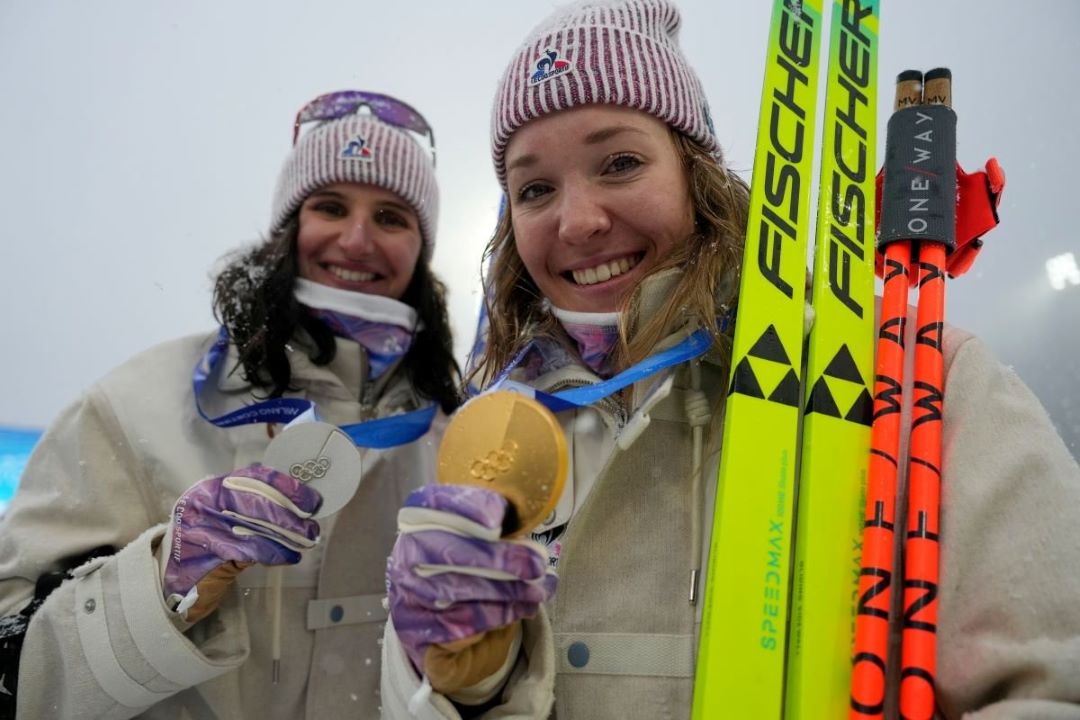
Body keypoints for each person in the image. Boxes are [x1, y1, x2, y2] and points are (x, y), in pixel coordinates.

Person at [379, 1, 1080, 718]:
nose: (578, 219)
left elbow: (1052, 686)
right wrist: (465, 687)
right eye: (535, 189)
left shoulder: (917, 381)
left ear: (696, 175)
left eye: (619, 163)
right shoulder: (495, 435)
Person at [0, 89, 460, 719]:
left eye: (391, 217)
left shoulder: (453, 439)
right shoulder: (135, 404)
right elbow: (13, 664)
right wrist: (156, 590)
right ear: (286, 231)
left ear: (421, 251)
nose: (357, 240)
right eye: (330, 207)